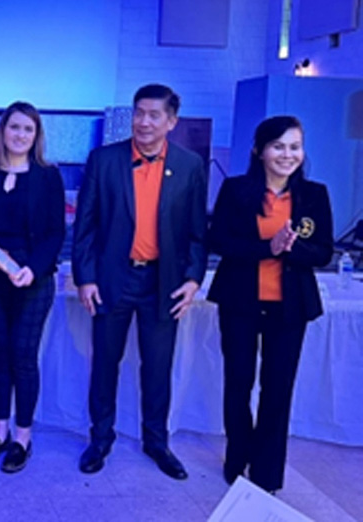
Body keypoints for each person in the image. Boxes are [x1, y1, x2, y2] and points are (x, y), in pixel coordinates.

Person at [72, 84, 207, 479]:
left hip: (163, 282)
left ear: (171, 121)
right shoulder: (103, 160)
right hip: (113, 279)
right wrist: (86, 277)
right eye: (138, 113)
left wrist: (194, 279)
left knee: (158, 367)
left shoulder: (189, 165)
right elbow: (85, 227)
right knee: (105, 364)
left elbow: (198, 232)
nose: (143, 122)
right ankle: (100, 440)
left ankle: (157, 442)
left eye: (153, 115)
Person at [207, 116, 333, 493]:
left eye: (295, 147)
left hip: (290, 308)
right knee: (238, 383)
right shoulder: (235, 189)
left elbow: (323, 252)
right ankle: (236, 457)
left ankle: (266, 473)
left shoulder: (314, 194)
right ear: (259, 151)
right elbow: (219, 242)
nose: (287, 154)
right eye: (278, 146)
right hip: (240, 302)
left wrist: (292, 248)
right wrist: (268, 248)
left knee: (278, 390)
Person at [0, 102, 65, 472]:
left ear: (36, 135)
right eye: (14, 128)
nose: (20, 135)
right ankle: (0, 431)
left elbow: (56, 232)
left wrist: (33, 269)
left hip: (33, 280)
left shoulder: (48, 176)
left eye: (28, 129)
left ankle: (23, 436)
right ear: (2, 131)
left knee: (24, 358)